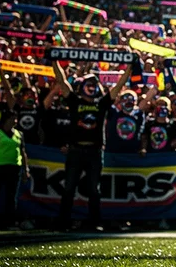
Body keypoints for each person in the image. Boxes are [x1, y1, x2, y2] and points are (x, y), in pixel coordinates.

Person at [53, 62, 132, 231]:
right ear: (82, 86)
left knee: (94, 189)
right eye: (88, 83)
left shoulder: (101, 103)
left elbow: (119, 86)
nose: (91, 87)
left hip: (94, 152)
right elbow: (62, 81)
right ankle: (63, 222)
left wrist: (130, 68)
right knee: (69, 187)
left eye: (94, 84)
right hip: (75, 150)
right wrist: (54, 61)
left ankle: (95, 222)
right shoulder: (75, 101)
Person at [0, 110, 30, 229]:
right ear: (6, 120)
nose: (15, 121)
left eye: (15, 118)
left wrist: (26, 169)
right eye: (12, 118)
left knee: (11, 196)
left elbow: (23, 153)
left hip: (14, 168)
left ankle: (9, 222)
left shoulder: (19, 134)